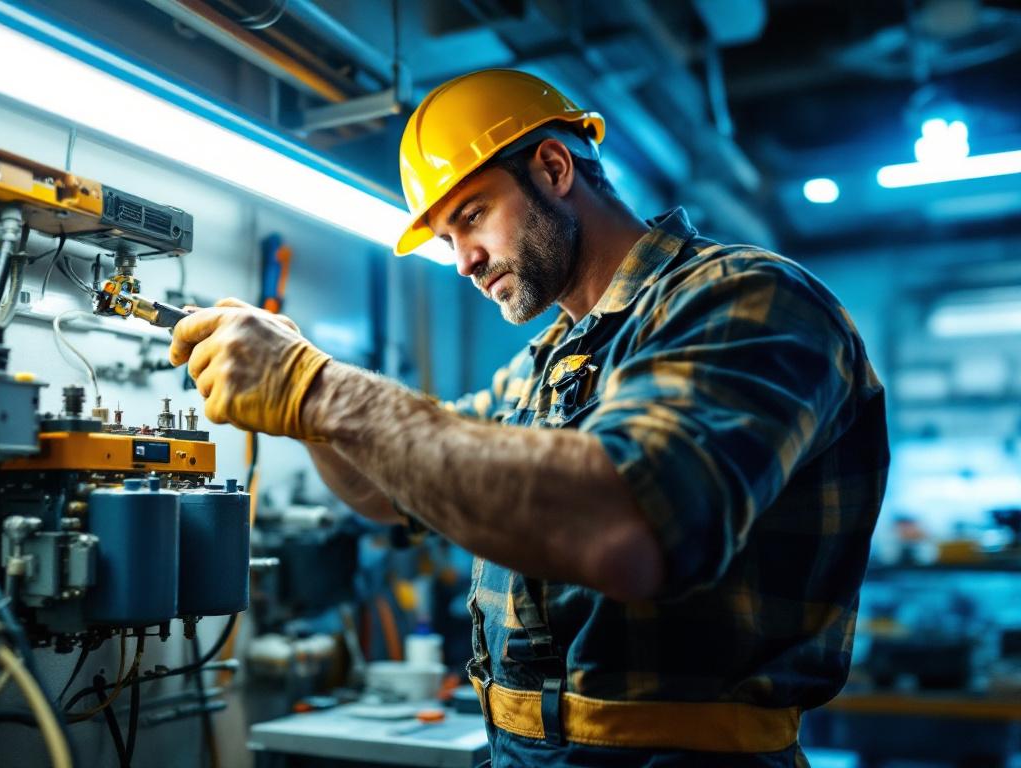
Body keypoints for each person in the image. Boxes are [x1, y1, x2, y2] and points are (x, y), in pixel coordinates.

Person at [169, 69, 888, 767]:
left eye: (472, 217)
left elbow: (630, 527)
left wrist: (320, 389)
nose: (463, 261)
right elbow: (392, 495)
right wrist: (299, 405)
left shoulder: (745, 299)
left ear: (552, 167)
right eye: (447, 239)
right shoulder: (545, 363)